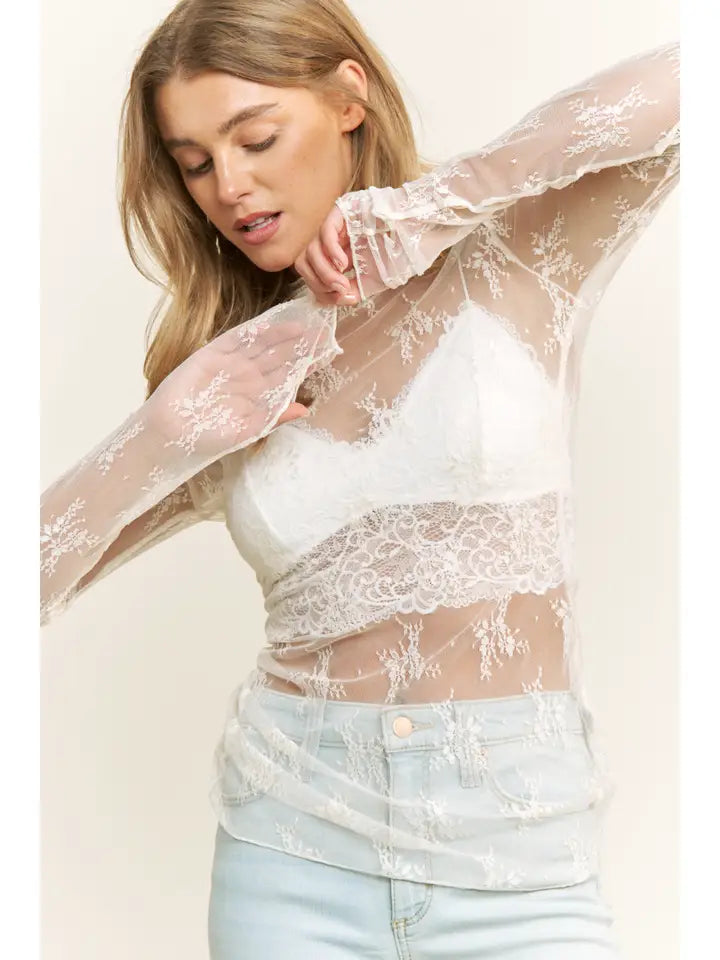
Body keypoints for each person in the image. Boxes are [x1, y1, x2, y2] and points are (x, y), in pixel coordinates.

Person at [40, 1, 680, 956]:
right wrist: (159, 435)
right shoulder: (238, 373)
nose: (230, 186)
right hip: (289, 858)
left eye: (256, 138)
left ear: (350, 98)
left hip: (523, 865)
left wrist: (439, 204)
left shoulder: (510, 258)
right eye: (195, 163)